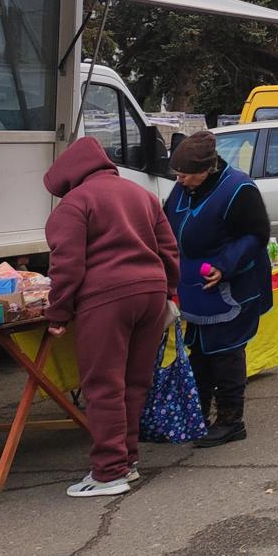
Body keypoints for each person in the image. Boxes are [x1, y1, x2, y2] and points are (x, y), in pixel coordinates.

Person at [42, 134, 180, 497]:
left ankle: (107, 472)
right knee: (134, 383)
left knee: (104, 386)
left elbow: (66, 266)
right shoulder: (143, 195)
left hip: (105, 299)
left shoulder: (74, 205)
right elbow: (169, 249)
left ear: (68, 177)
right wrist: (166, 289)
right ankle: (128, 462)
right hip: (151, 294)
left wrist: (57, 314)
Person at [167, 131, 275, 450]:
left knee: (226, 353)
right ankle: (198, 416)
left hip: (231, 286)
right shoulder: (182, 188)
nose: (180, 180)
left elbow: (255, 235)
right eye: (177, 174)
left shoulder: (238, 189)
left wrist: (225, 264)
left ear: (207, 170)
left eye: (185, 175)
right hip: (195, 288)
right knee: (199, 352)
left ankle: (230, 421)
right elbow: (166, 223)